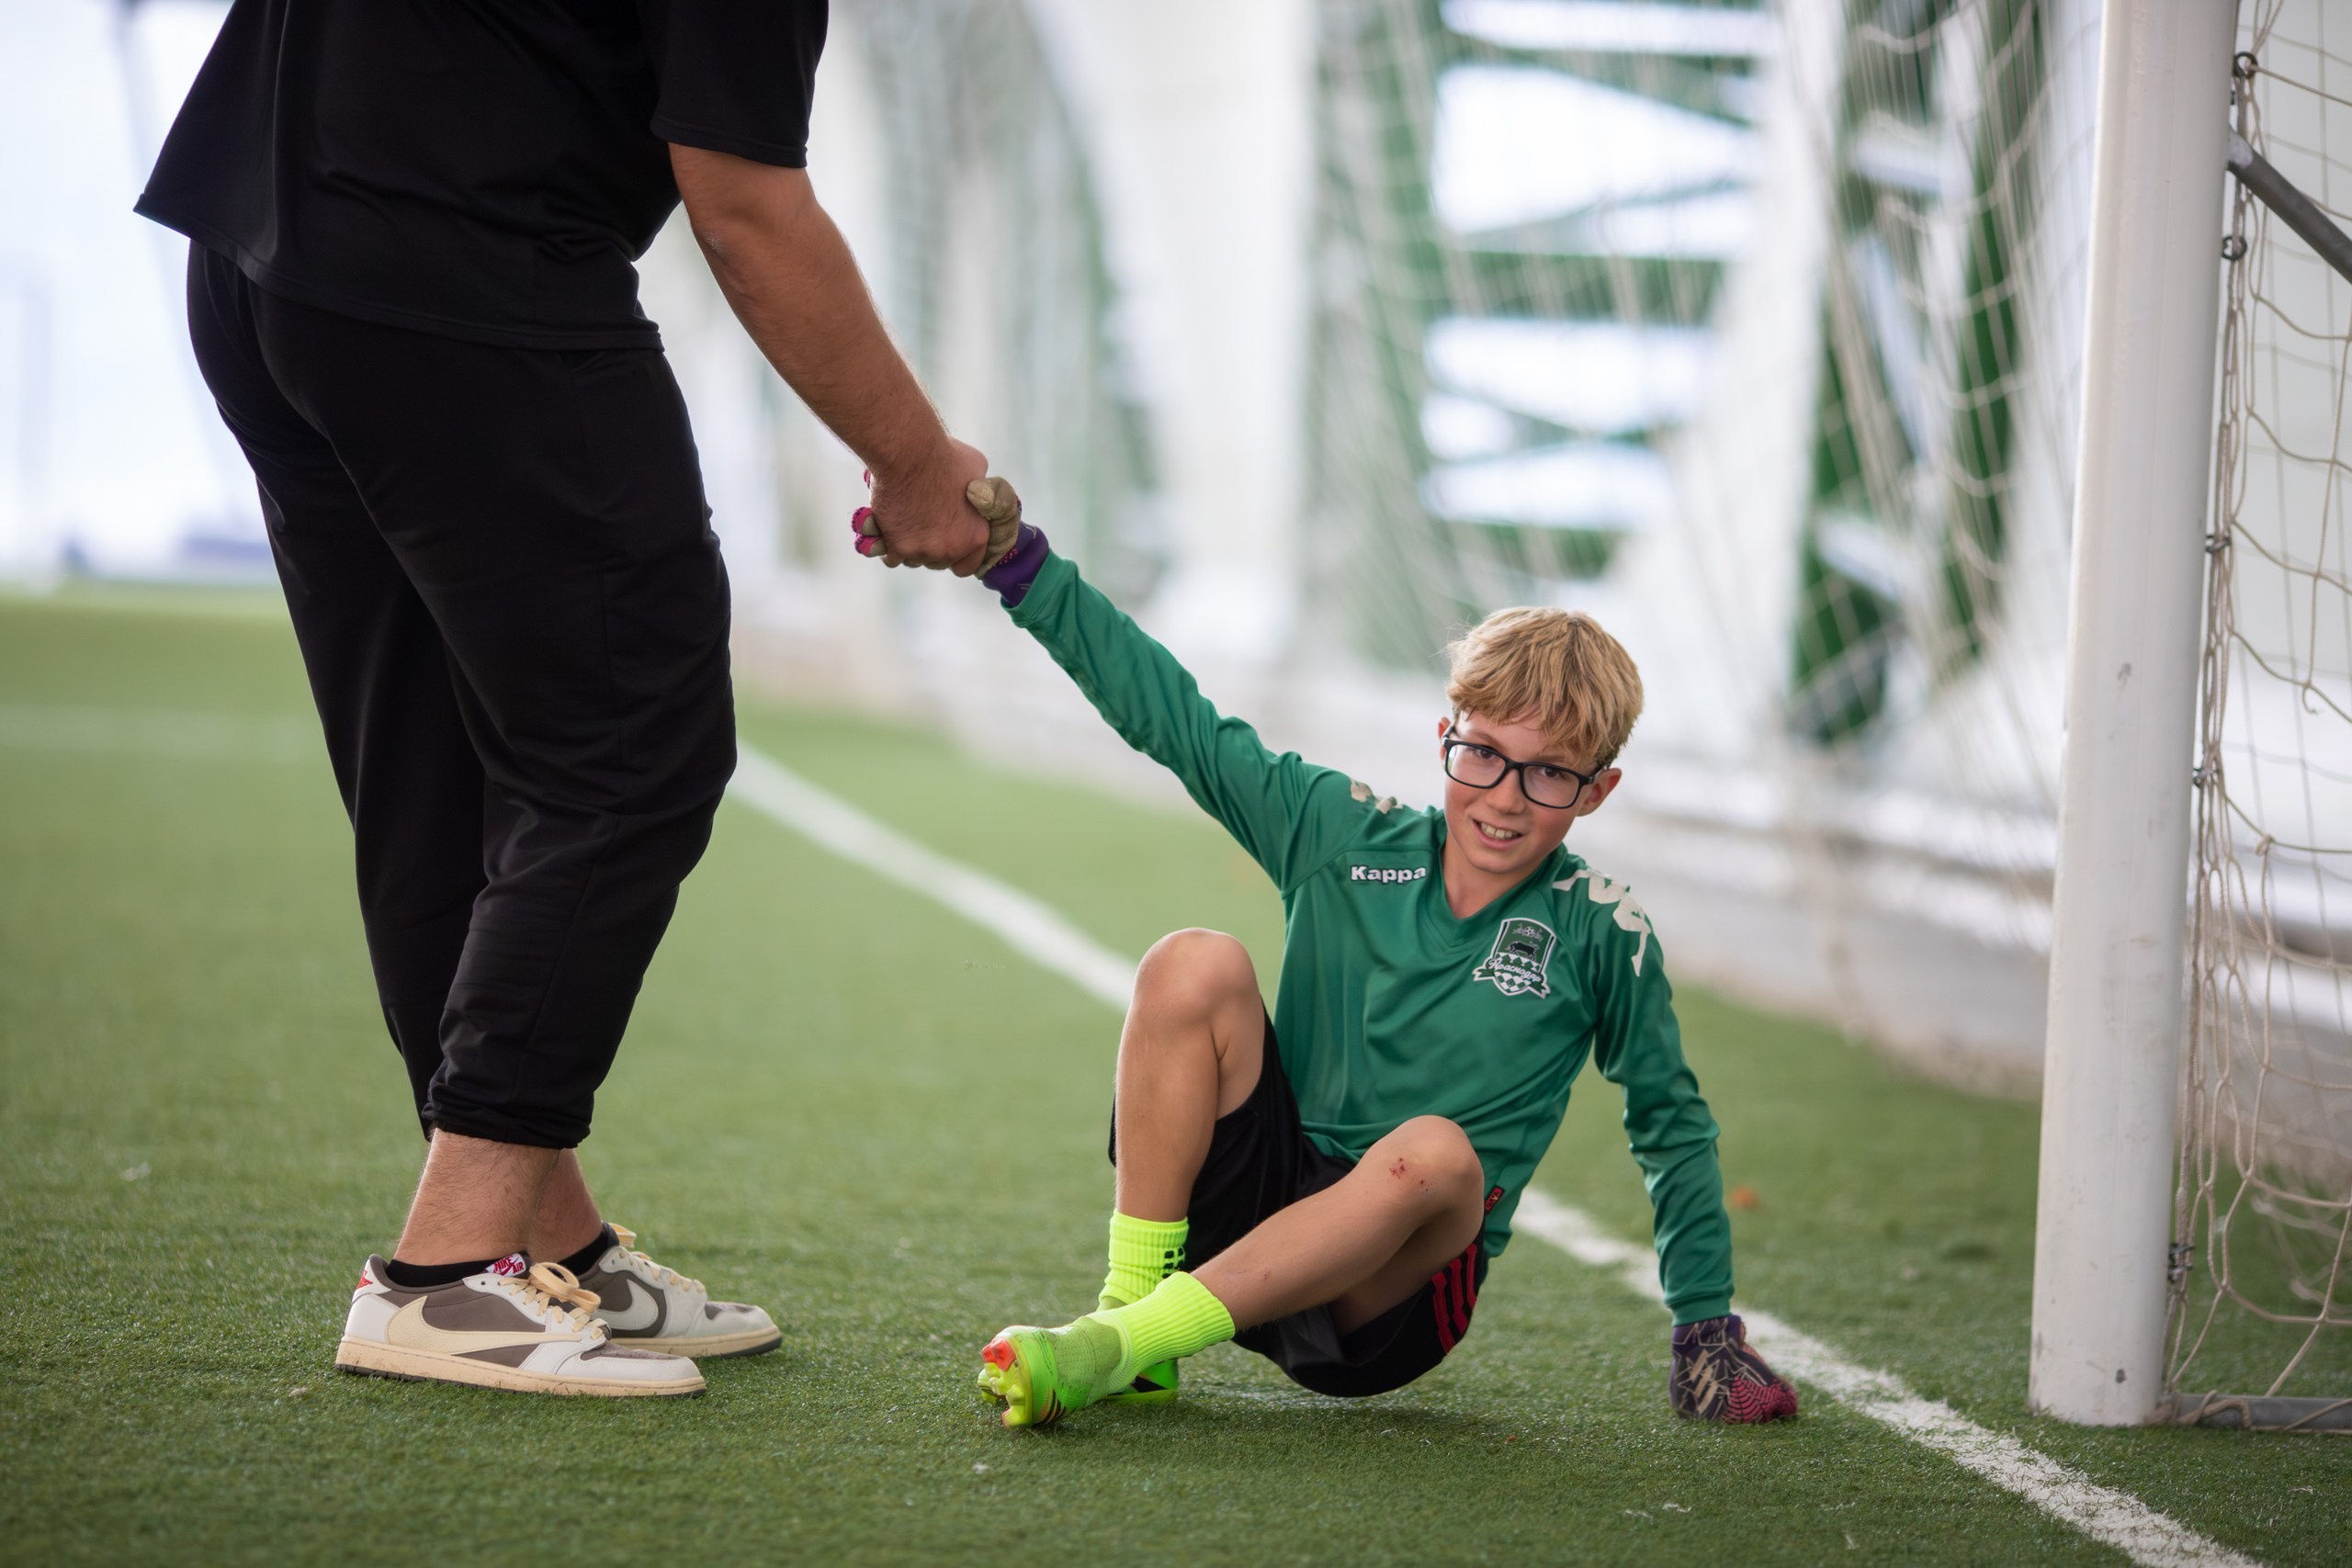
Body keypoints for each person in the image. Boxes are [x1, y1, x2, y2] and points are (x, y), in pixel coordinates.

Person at [135, 0, 995, 1397]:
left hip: (258, 254)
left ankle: (543, 1235)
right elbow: (745, 209)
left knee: (434, 764)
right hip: (457, 278)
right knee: (630, 748)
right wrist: (912, 457)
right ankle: (444, 1274)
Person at [863, 482, 1797, 1426]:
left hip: (1381, 1307)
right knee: (1192, 960)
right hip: (1259, 1197)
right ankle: (1130, 1321)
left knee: (1437, 1152)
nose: (1506, 797)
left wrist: (1702, 1330)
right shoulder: (1338, 834)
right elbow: (1178, 722)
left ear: (1596, 793)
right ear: (1445, 740)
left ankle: (1115, 1346)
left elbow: (1669, 1124)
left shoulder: (1601, 930)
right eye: (1484, 755)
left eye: (1550, 773)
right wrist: (1019, 565)